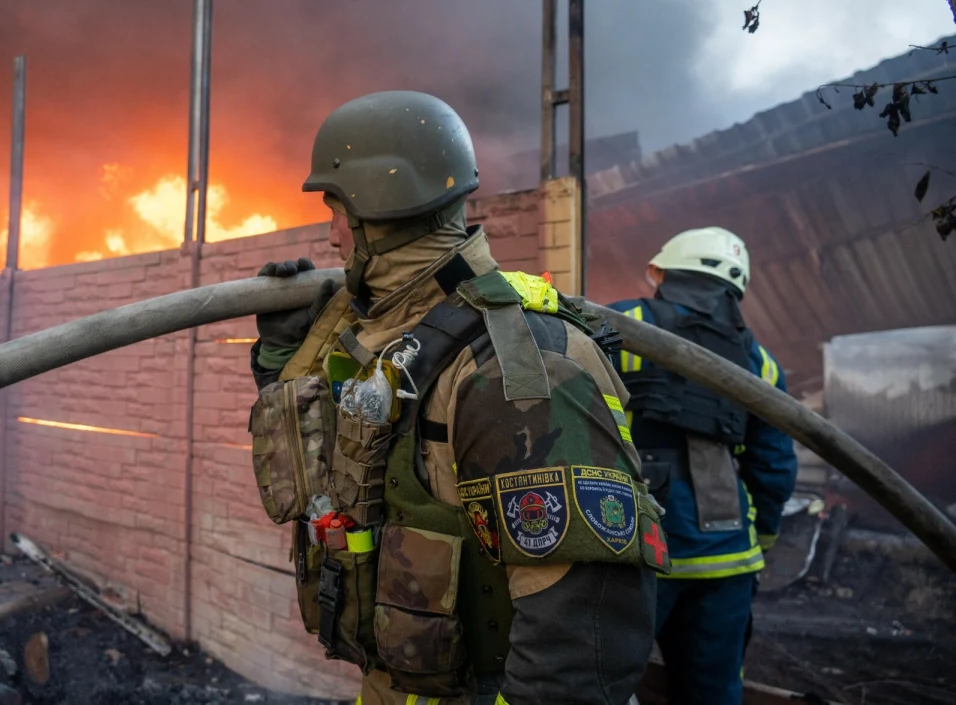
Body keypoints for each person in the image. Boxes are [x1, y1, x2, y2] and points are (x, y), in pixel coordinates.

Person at [247, 90, 669, 705]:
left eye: (336, 209)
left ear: (376, 212)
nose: (332, 232)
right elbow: (328, 482)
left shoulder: (518, 369)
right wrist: (286, 362)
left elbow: (579, 638)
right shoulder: (386, 337)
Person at [605, 228, 799, 705]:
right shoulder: (761, 363)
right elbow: (774, 467)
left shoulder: (617, 324)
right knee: (713, 693)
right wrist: (763, 539)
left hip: (631, 552)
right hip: (728, 560)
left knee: (599, 684)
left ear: (661, 272)